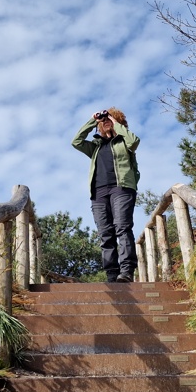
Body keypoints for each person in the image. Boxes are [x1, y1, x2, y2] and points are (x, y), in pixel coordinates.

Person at [72, 107, 140, 282]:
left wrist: (115, 122)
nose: (106, 121)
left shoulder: (124, 142)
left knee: (122, 227)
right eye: (103, 121)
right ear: (98, 126)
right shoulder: (95, 147)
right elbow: (76, 141)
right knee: (105, 234)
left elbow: (134, 142)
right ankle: (111, 274)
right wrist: (92, 121)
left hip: (122, 188)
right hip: (99, 192)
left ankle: (126, 272)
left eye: (110, 119)